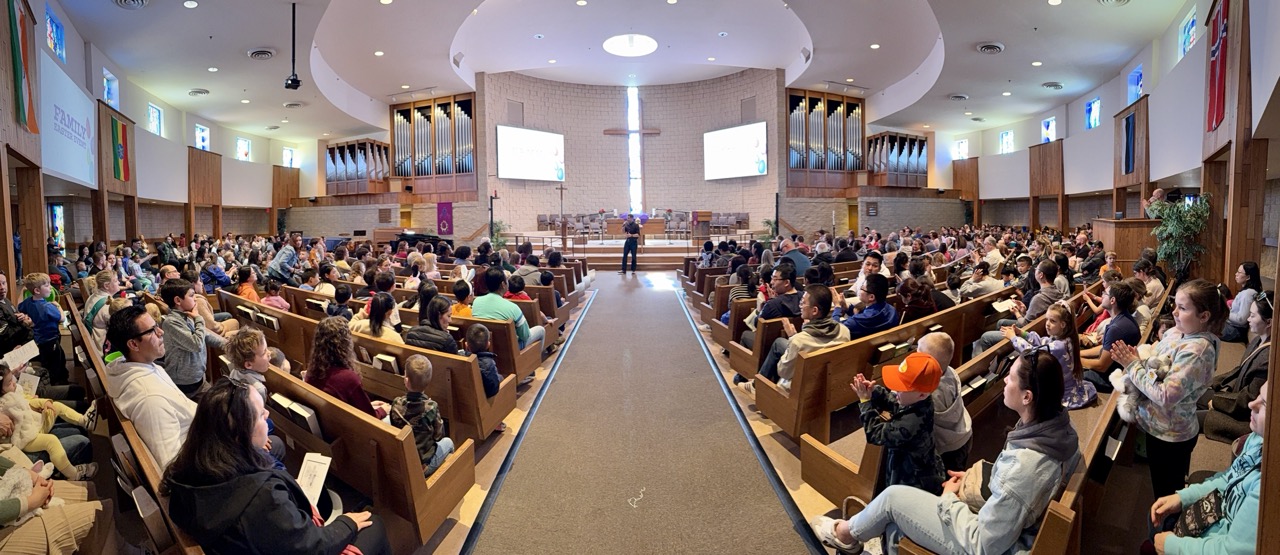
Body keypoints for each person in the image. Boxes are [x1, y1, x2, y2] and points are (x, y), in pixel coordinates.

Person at [811, 350, 1080, 555]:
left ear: (1027, 397)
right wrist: (979, 480)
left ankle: (845, 534)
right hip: (1006, 525)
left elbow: (984, 545)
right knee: (895, 519)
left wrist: (949, 501)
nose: (1005, 379)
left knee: (893, 499)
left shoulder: (1024, 468)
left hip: (989, 545)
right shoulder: (1052, 428)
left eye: (1011, 377)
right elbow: (1013, 490)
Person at [164, 378, 391, 555]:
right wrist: (347, 523)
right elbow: (311, 547)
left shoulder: (195, 463)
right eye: (261, 415)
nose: (267, 415)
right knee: (375, 524)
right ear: (238, 436)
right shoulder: (264, 499)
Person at [1110, 279, 1224, 499]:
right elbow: (1156, 356)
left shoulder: (1198, 350)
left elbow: (1166, 395)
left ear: (1204, 316)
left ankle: (1164, 531)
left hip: (1171, 435)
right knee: (1162, 486)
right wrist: (1139, 357)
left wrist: (1132, 365)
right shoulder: (1177, 332)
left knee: (1167, 494)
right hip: (1158, 426)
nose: (1174, 312)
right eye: (1175, 305)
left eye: (1182, 308)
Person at [1147, 380, 1265, 555]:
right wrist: (1182, 497)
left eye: (1263, 403)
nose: (1251, 404)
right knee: (1157, 518)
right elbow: (1228, 479)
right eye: (1259, 396)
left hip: (1216, 539)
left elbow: (1231, 551)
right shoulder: (1257, 439)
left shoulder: (1267, 487)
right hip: (1214, 517)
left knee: (1152, 540)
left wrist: (1172, 547)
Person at [104, 305, 197, 470]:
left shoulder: (137, 366)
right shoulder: (150, 399)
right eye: (152, 330)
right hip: (200, 455)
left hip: (199, 434)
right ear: (133, 344)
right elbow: (171, 466)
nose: (161, 332)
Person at [850, 352, 946, 494]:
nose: (895, 391)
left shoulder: (910, 423)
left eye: (901, 388)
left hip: (912, 482)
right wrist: (874, 392)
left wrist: (865, 401)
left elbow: (875, 434)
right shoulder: (920, 400)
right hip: (918, 466)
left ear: (921, 394)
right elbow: (897, 403)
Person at [738, 285, 849, 394]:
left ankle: (756, 387)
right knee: (779, 343)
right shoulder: (844, 331)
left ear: (814, 311)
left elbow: (783, 372)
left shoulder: (798, 340)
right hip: (829, 383)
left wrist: (792, 337)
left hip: (801, 390)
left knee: (779, 346)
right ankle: (757, 383)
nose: (800, 305)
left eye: (803, 303)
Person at [0, 362, 97, 480]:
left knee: (56, 406)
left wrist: (45, 403)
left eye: (12, 380)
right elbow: (23, 412)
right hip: (25, 439)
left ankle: (85, 421)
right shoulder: (6, 404)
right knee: (52, 441)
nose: (14, 384)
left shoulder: (14, 391)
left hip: (34, 424)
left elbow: (27, 402)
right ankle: (73, 474)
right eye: (9, 383)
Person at [1198, 290, 1270, 443]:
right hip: (1235, 399)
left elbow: (1248, 399)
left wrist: (1217, 401)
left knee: (1191, 418)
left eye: (1252, 315)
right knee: (1196, 392)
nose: (1248, 319)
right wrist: (1213, 383)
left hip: (1244, 416)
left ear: (1269, 322)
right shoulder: (1258, 340)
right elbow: (1239, 369)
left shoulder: (1269, 358)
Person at [1006, 302, 1097, 409]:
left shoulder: (1059, 346)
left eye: (1052, 321)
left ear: (1063, 324)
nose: (1047, 324)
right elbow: (1043, 341)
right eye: (1047, 319)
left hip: (1064, 391)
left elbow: (1033, 352)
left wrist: (1013, 338)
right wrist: (1022, 334)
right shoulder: (1066, 337)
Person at [973, 260, 1063, 357]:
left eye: (1036, 269)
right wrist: (1023, 311)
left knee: (985, 337)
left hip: (1031, 333)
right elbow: (1032, 319)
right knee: (1001, 323)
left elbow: (1025, 325)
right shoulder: (1057, 292)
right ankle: (1002, 354)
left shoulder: (1039, 298)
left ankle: (990, 367)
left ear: (1040, 275)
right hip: (1038, 328)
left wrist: (1017, 313)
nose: (1035, 271)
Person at [306, 317, 387, 419]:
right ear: (345, 344)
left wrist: (370, 405)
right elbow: (370, 417)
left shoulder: (313, 371)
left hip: (329, 422)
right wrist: (383, 410)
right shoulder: (348, 378)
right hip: (349, 429)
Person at [390, 355, 456, 477]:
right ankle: (446, 481)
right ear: (429, 381)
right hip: (424, 466)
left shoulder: (396, 404)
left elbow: (394, 427)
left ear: (406, 380)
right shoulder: (431, 407)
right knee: (449, 442)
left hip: (404, 459)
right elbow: (438, 436)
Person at [918, 332, 972, 472]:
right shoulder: (949, 372)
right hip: (963, 433)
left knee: (947, 477)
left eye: (918, 352)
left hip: (948, 447)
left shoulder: (930, 393)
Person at [160, 279, 222, 398]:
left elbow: (204, 335)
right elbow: (196, 344)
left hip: (198, 379)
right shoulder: (171, 323)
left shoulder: (187, 315)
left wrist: (229, 344)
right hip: (184, 383)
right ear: (178, 300)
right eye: (192, 295)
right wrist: (199, 318)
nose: (195, 299)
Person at [1082, 280, 1142, 391]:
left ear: (1112, 300)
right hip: (1116, 370)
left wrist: (1076, 360)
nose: (1102, 296)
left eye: (1105, 293)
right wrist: (1078, 353)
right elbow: (1106, 348)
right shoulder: (1123, 318)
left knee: (1069, 374)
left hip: (1112, 379)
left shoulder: (1117, 328)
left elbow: (1102, 366)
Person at [471, 267, 545, 355]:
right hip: (509, 349)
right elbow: (525, 335)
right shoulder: (512, 307)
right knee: (541, 330)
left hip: (487, 346)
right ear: (503, 284)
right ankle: (532, 363)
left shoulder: (476, 302)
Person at [737, 265, 802, 352]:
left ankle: (750, 364)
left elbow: (757, 323)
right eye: (771, 278)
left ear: (786, 282)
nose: (771, 282)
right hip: (797, 341)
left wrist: (765, 304)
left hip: (771, 345)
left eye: (775, 279)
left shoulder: (773, 304)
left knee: (745, 334)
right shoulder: (804, 298)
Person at [839, 273, 898, 340]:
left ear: (871, 297)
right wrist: (848, 308)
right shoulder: (892, 310)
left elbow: (837, 329)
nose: (860, 290)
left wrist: (837, 308)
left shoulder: (860, 320)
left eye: (862, 288)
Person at [1221, 262, 1261, 343]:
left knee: (1205, 324)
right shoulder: (1246, 292)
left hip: (1235, 331)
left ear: (1248, 277)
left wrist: (1224, 312)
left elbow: (1241, 319)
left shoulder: (1248, 294)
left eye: (1239, 272)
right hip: (1232, 327)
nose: (1236, 274)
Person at [465, 323, 502, 398]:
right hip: (485, 399)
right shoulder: (489, 364)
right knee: (501, 377)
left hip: (468, 396)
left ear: (466, 345)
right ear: (488, 344)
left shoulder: (461, 357)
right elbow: (493, 390)